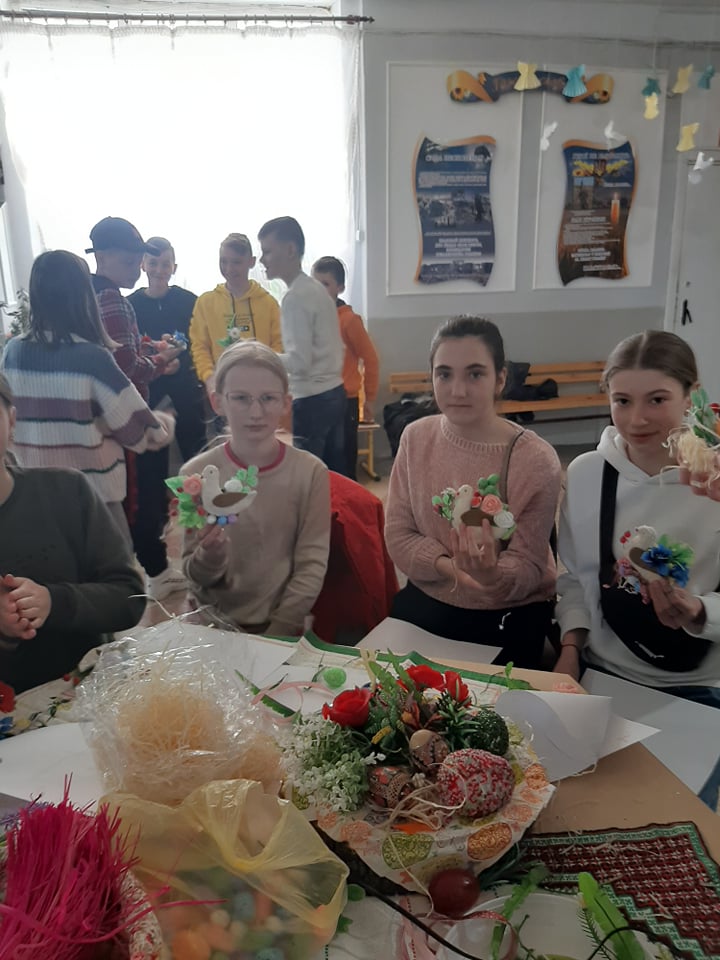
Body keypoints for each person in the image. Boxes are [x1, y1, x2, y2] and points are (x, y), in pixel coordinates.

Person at [384, 316, 561, 669]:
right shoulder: (415, 438)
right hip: (429, 598)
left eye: (475, 374)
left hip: (506, 611)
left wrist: (492, 576)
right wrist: (451, 568)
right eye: (444, 374)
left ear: (501, 379)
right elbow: (398, 535)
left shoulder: (535, 460)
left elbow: (529, 565)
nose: (458, 390)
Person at [555, 330, 720, 696]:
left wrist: (700, 612)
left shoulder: (713, 483)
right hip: (604, 668)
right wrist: (570, 651)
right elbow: (577, 581)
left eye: (656, 400)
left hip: (703, 682)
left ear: (691, 396)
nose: (636, 419)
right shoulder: (587, 475)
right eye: (623, 401)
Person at [0, 250, 174, 539]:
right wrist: (166, 421)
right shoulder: (92, 358)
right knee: (115, 568)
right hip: (93, 502)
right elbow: (140, 433)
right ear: (84, 295)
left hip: (32, 499)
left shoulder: (13, 352)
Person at [0, 373, 146, 693]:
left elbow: (130, 598)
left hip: (94, 692)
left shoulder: (67, 492)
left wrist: (53, 602)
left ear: (11, 421)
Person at [181, 340, 330, 637]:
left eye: (268, 398)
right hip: (211, 628)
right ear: (217, 402)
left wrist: (277, 635)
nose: (256, 412)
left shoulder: (311, 473)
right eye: (241, 398)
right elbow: (193, 574)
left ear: (285, 403)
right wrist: (210, 557)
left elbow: (311, 566)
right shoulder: (194, 476)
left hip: (279, 628)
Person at [87, 216, 185, 600]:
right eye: (130, 262)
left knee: (131, 496)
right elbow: (124, 365)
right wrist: (161, 361)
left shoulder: (91, 295)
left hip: (104, 418)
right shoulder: (113, 299)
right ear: (103, 257)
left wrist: (150, 349)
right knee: (143, 495)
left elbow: (122, 348)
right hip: (127, 414)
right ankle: (156, 572)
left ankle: (145, 568)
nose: (136, 270)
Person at [258, 217, 345, 472]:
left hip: (313, 401)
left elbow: (299, 362)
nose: (262, 259)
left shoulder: (295, 297)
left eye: (267, 251)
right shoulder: (316, 290)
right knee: (334, 476)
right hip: (335, 394)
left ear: (290, 250)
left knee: (308, 478)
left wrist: (260, 354)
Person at [129, 237, 206, 461]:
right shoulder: (129, 305)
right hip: (149, 392)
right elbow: (128, 351)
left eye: (165, 264)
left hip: (186, 389)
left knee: (197, 454)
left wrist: (181, 362)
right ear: (143, 265)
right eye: (153, 263)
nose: (159, 270)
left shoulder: (190, 301)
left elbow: (201, 343)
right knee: (151, 459)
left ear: (174, 267)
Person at [188, 233, 283, 398]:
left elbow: (278, 345)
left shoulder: (269, 303)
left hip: (263, 389)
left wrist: (269, 375)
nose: (229, 269)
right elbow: (199, 346)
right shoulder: (206, 302)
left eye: (236, 262)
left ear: (251, 262)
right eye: (223, 261)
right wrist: (209, 377)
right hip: (222, 389)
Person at [312, 256, 379, 480]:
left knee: (343, 464)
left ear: (339, 287)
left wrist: (369, 399)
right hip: (316, 400)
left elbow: (370, 359)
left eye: (325, 284)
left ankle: (348, 501)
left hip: (343, 403)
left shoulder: (349, 320)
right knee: (319, 464)